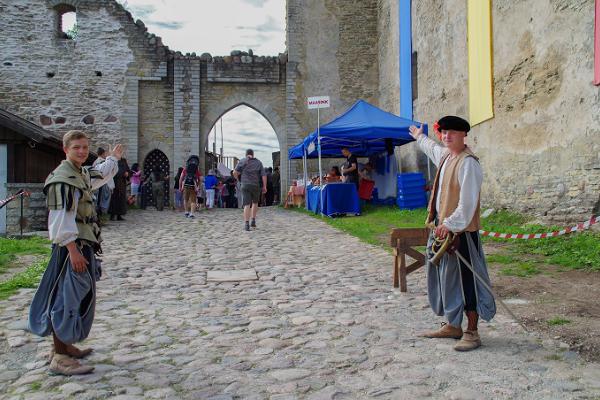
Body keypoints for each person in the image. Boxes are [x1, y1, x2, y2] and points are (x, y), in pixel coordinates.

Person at [28, 130, 122, 375]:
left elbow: (100, 175)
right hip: (72, 248)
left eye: (84, 147)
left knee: (75, 296)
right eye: (76, 147)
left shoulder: (79, 173)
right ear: (65, 149)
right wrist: (72, 249)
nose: (81, 151)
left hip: (82, 245)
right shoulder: (63, 180)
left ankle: (65, 347)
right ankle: (59, 357)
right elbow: (59, 220)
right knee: (65, 298)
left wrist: (113, 159)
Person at [408, 116, 496, 352]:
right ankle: (453, 325)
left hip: (462, 233)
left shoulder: (469, 164)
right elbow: (431, 148)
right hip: (443, 231)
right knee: (446, 279)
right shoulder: (446, 156)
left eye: (452, 133)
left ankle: (472, 332)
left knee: (468, 281)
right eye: (444, 132)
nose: (447, 137)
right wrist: (419, 136)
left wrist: (449, 223)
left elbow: (467, 205)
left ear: (463, 135)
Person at [233, 149, 267, 231]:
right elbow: (263, 175)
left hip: (245, 185)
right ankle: (253, 221)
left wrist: (238, 180)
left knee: (246, 204)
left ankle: (246, 224)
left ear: (246, 154)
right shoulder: (258, 162)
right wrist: (265, 186)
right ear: (253, 154)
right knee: (255, 203)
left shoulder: (242, 161)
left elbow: (234, 172)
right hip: (255, 185)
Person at [93, 147, 114, 219]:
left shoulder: (95, 162)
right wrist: (111, 186)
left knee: (98, 200)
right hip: (102, 184)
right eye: (105, 153)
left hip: (96, 184)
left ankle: (98, 215)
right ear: (103, 153)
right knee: (101, 200)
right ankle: (99, 216)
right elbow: (107, 174)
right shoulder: (103, 162)